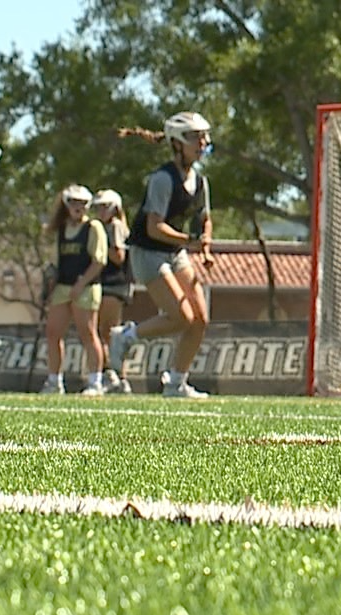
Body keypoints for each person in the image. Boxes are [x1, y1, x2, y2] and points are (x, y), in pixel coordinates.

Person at [109, 111, 216, 399]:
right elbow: (154, 228)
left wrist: (204, 241)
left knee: (200, 320)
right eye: (196, 137)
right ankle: (126, 337)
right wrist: (189, 241)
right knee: (180, 316)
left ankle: (176, 383)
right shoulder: (162, 179)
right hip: (148, 253)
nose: (203, 143)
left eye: (204, 137)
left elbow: (205, 217)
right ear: (178, 143)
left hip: (174, 252)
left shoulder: (200, 181)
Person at [39, 184, 106, 396]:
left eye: (83, 204)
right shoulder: (61, 230)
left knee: (87, 333)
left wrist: (81, 284)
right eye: (74, 203)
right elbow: (56, 262)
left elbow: (98, 261)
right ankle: (54, 380)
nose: (78, 208)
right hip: (63, 286)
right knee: (53, 332)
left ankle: (95, 381)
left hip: (86, 287)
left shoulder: (93, 228)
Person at [92, 188, 132, 394]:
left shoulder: (114, 227)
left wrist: (97, 248)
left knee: (107, 333)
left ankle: (113, 375)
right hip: (106, 285)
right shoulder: (102, 227)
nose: (100, 212)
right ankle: (118, 377)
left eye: (104, 207)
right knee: (105, 332)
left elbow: (118, 257)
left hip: (113, 284)